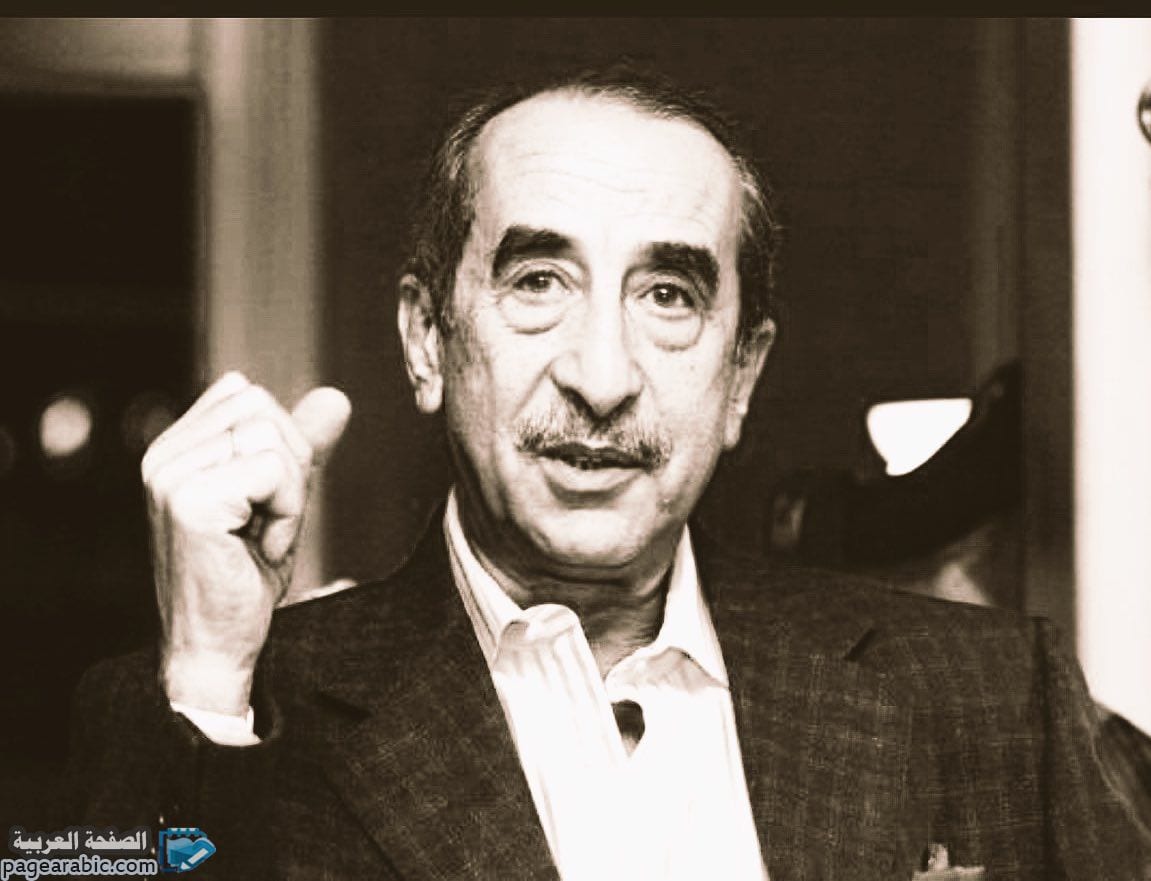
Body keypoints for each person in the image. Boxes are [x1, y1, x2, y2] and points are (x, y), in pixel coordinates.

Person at [67, 68, 1149, 880]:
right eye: (538, 281)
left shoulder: (994, 694)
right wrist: (208, 682)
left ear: (740, 374)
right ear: (428, 341)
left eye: (668, 296)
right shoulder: (207, 713)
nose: (601, 376)